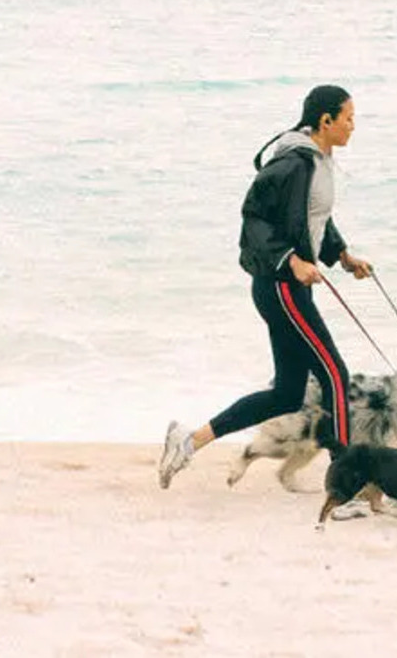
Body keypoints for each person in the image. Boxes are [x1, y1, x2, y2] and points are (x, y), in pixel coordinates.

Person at [159, 84, 372, 489]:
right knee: (334, 374)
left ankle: (187, 441)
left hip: (288, 289)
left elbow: (314, 218)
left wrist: (342, 256)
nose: (353, 126)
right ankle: (346, 483)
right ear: (325, 121)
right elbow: (254, 218)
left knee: (288, 394)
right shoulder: (294, 163)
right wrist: (291, 261)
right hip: (280, 286)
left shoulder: (321, 161)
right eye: (348, 118)